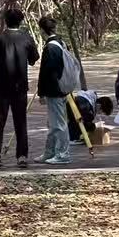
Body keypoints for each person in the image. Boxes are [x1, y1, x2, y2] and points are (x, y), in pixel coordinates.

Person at [0, 8, 39, 169]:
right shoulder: (27, 38)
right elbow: (33, 60)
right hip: (20, 88)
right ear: (20, 21)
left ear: (5, 21)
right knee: (20, 122)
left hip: (0, 88)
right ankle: (22, 156)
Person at [37, 17, 85, 165]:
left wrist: (41, 92)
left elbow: (46, 72)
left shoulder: (50, 47)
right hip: (63, 88)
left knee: (58, 124)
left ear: (41, 30)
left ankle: (63, 154)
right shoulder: (61, 43)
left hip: (54, 91)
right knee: (53, 124)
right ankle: (50, 152)